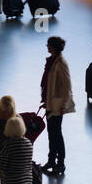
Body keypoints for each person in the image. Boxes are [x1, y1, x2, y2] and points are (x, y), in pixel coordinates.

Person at [40, 36, 73, 175]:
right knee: (51, 133)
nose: (47, 47)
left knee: (56, 134)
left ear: (53, 47)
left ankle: (60, 163)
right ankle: (51, 160)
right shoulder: (53, 60)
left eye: (48, 45)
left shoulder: (61, 63)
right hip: (50, 103)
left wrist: (64, 106)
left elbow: (67, 86)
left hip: (57, 105)